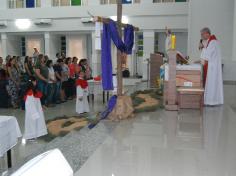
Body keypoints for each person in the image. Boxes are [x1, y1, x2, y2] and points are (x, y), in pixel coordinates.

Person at [200, 27, 224, 105]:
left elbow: (207, 56)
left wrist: (203, 47)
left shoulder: (213, 42)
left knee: (211, 85)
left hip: (212, 68)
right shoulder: (212, 41)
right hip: (212, 67)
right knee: (212, 85)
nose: (201, 36)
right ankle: (211, 100)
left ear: (207, 33)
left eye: (202, 34)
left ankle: (211, 101)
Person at [23, 76, 48, 140]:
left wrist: (41, 106)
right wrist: (34, 113)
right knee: (32, 123)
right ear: (33, 82)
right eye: (35, 81)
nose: (36, 82)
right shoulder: (30, 93)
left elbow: (37, 100)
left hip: (37, 110)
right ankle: (31, 136)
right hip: (32, 112)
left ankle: (38, 133)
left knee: (37, 122)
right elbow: (30, 105)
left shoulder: (34, 91)